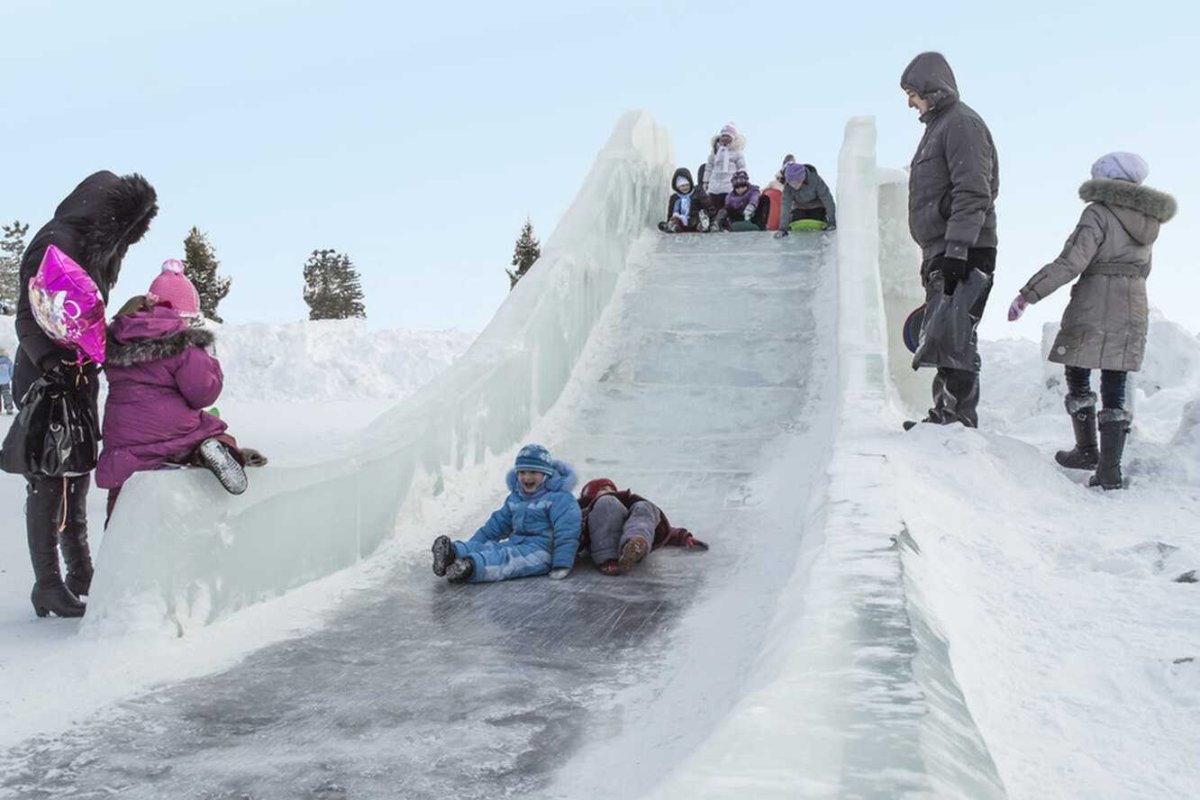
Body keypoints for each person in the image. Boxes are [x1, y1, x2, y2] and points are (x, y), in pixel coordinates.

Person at [13, 171, 158, 618]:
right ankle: (48, 584)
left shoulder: (99, 249)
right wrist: (52, 365)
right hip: (46, 380)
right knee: (48, 482)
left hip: (77, 380)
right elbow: (27, 318)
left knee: (75, 479)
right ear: (106, 214)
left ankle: (80, 572)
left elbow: (82, 315)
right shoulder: (56, 241)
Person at [1007, 153, 1175, 490]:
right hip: (1133, 300)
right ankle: (1110, 469)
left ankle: (1087, 451)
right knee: (1115, 376)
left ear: (1106, 179)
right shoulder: (1148, 219)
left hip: (1095, 298)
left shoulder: (1097, 212)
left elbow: (1072, 261)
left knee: (1077, 367)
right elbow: (1145, 269)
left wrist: (1029, 293)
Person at [98, 261, 265, 524]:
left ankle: (115, 536)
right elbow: (203, 394)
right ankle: (221, 451)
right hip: (172, 430)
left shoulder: (119, 336)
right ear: (181, 312)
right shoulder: (183, 342)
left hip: (124, 440)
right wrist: (211, 362)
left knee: (121, 501)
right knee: (211, 430)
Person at [900, 51, 998, 430]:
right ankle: (945, 414)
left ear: (930, 88)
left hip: (965, 248)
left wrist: (957, 250)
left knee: (955, 332)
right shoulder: (938, 127)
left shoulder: (961, 124)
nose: (909, 101)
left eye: (912, 92)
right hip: (943, 248)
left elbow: (975, 191)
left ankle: (957, 420)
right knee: (943, 331)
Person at [431, 443, 581, 583]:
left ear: (546, 474)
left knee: (507, 559)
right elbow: (496, 525)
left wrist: (562, 564)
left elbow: (567, 532)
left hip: (542, 551)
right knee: (492, 547)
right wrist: (473, 544)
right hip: (516, 542)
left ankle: (469, 566)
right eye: (522, 472)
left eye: (533, 472)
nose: (527, 477)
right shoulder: (516, 497)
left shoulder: (560, 499)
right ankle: (452, 553)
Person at [577, 478, 708, 575]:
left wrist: (682, 537)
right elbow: (568, 531)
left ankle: (637, 544)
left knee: (644, 506)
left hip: (627, 534)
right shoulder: (583, 512)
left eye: (611, 489)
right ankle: (610, 558)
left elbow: (644, 521)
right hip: (601, 540)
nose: (609, 492)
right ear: (589, 497)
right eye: (602, 490)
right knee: (607, 503)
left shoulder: (624, 504)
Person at [772, 161, 837, 237]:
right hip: (799, 207)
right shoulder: (788, 188)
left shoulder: (815, 180)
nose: (794, 186)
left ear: (802, 177)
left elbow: (827, 199)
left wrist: (832, 222)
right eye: (791, 183)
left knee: (816, 220)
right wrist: (783, 229)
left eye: (796, 182)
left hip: (817, 206)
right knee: (798, 222)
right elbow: (785, 206)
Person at [703, 123, 747, 211]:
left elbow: (742, 167)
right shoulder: (715, 152)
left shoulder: (737, 153)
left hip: (729, 185)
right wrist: (706, 181)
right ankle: (714, 222)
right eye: (723, 136)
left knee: (727, 207)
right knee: (713, 206)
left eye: (728, 136)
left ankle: (724, 222)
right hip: (714, 186)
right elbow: (709, 167)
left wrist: (741, 180)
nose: (725, 138)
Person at [658, 168, 717, 233]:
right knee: (669, 221)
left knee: (701, 215)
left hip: (694, 220)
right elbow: (670, 214)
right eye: (682, 186)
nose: (685, 187)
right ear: (677, 186)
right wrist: (670, 220)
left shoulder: (697, 192)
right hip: (681, 222)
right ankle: (673, 227)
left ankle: (703, 226)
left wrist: (711, 217)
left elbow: (709, 206)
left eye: (687, 185)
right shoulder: (674, 198)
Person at [0, 347, 14, 414]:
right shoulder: (7, 360)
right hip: (5, 381)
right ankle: (9, 407)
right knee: (6, 394)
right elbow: (11, 370)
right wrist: (11, 377)